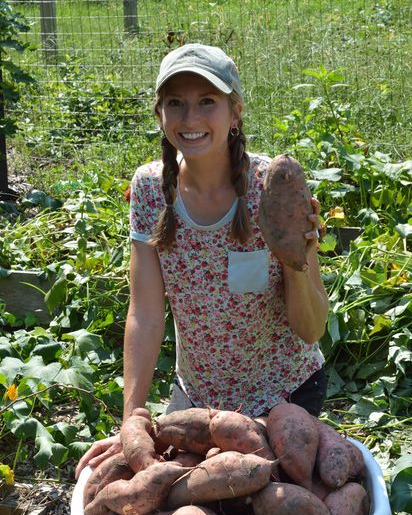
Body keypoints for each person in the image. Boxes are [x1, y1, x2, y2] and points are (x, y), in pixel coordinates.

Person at [75, 43, 328, 479]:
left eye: (207, 102)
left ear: (235, 112)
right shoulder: (152, 189)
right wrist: (132, 421)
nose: (190, 119)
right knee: (172, 499)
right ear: (160, 114)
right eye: (176, 104)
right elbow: (146, 314)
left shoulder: (272, 185)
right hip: (197, 398)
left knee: (271, 502)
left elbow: (310, 330)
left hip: (286, 390)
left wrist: (297, 257)